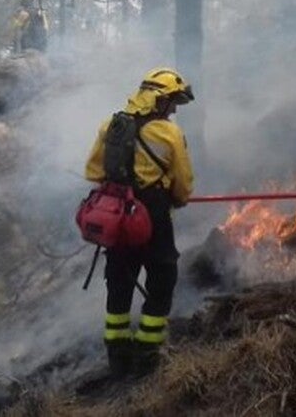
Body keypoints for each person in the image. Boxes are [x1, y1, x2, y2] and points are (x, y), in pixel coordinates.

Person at [84, 68, 195, 376]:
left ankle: (117, 355)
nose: (173, 109)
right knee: (162, 274)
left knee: (119, 278)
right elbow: (183, 185)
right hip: (152, 213)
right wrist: (174, 199)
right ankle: (148, 351)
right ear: (159, 100)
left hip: (116, 214)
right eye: (172, 102)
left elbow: (93, 172)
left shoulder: (111, 125)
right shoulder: (168, 133)